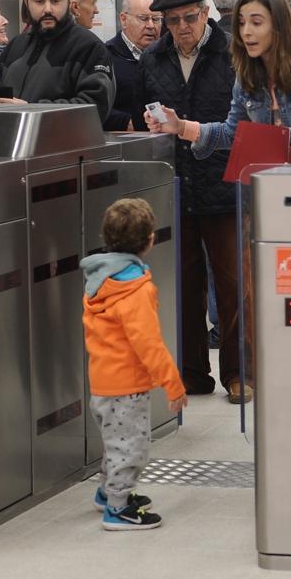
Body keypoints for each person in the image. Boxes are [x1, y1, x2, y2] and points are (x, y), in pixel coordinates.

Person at [141, 0, 246, 402]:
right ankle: (191, 372)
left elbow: (240, 123)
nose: (182, 27)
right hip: (176, 185)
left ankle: (239, 372)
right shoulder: (154, 58)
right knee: (183, 285)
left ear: (205, 14)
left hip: (223, 183)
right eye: (172, 21)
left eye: (189, 17)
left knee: (233, 283)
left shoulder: (232, 53)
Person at [81, 197, 187, 530]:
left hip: (102, 381)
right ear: (150, 240)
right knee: (132, 448)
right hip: (126, 386)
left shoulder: (102, 279)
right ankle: (118, 508)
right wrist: (173, 384)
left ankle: (107, 493)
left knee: (116, 443)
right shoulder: (135, 290)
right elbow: (149, 345)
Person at [147, 0, 291, 158]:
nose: (246, 31)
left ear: (279, 25)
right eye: (241, 23)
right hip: (269, 187)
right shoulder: (247, 75)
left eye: (257, 22)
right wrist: (181, 127)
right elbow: (232, 133)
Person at [0, 0, 116, 123]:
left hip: (65, 145)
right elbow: (1, 94)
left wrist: (32, 111)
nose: (47, 9)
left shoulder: (89, 47)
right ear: (27, 3)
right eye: (39, 1)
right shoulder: (15, 46)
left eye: (55, 1)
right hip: (15, 142)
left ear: (69, 2)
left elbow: (95, 108)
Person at [103, 0, 160, 131]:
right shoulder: (105, 56)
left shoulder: (166, 56)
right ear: (123, 19)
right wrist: (129, 122)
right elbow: (96, 107)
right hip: (124, 142)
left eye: (157, 19)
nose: (151, 25)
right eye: (143, 18)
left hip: (164, 140)